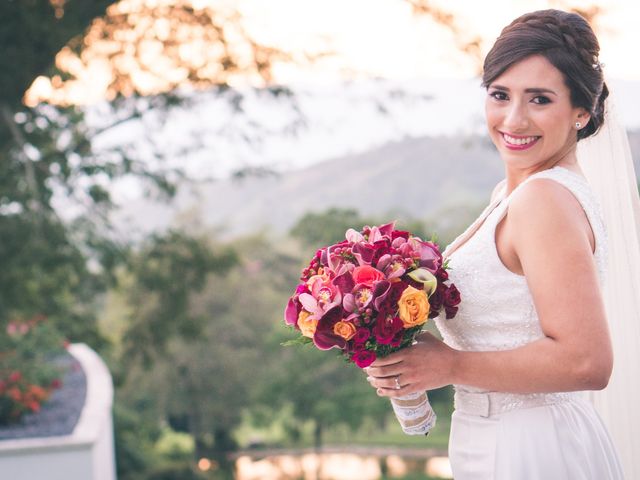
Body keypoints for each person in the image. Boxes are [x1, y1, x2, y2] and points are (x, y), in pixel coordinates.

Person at [365, 9, 638, 479]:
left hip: (531, 447)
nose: (514, 118)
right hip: (495, 438)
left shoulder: (544, 200)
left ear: (582, 111)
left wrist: (448, 365)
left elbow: (586, 362)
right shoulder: (514, 195)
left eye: (539, 99)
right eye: (500, 95)